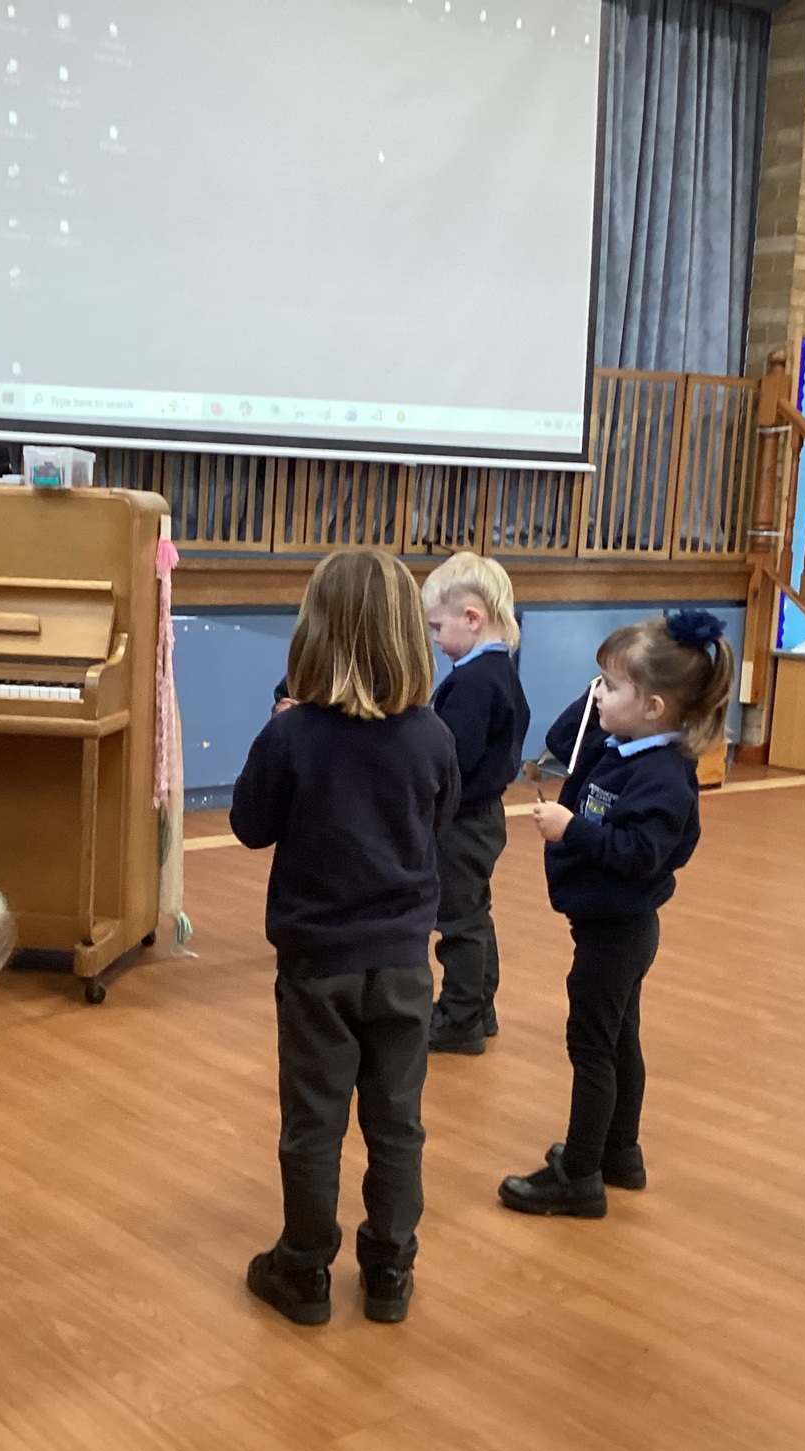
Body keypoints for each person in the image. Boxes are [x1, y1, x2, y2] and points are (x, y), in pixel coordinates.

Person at [230, 550, 460, 1327]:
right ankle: (390, 1269)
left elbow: (249, 825)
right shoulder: (432, 736)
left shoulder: (292, 736)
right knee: (397, 1124)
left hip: (316, 965)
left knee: (314, 1123)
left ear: (315, 635)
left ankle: (303, 1271)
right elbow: (438, 821)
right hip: (402, 963)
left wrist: (276, 732)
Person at [498, 610, 733, 1219]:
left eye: (611, 686)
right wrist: (599, 692)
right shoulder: (618, 744)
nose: (598, 695)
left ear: (654, 707)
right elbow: (563, 737)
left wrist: (572, 829)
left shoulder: (663, 777)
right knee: (621, 1036)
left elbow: (639, 854)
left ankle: (579, 1175)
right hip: (606, 925)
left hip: (619, 931)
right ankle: (619, 1154)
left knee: (593, 1048)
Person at [420, 553, 530, 1055]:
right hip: (485, 816)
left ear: (471, 618)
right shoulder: (500, 671)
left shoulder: (471, 683)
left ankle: (459, 1018)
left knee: (457, 922)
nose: (435, 640)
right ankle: (480, 1007)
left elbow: (452, 756)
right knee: (475, 913)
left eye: (438, 628)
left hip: (460, 822)